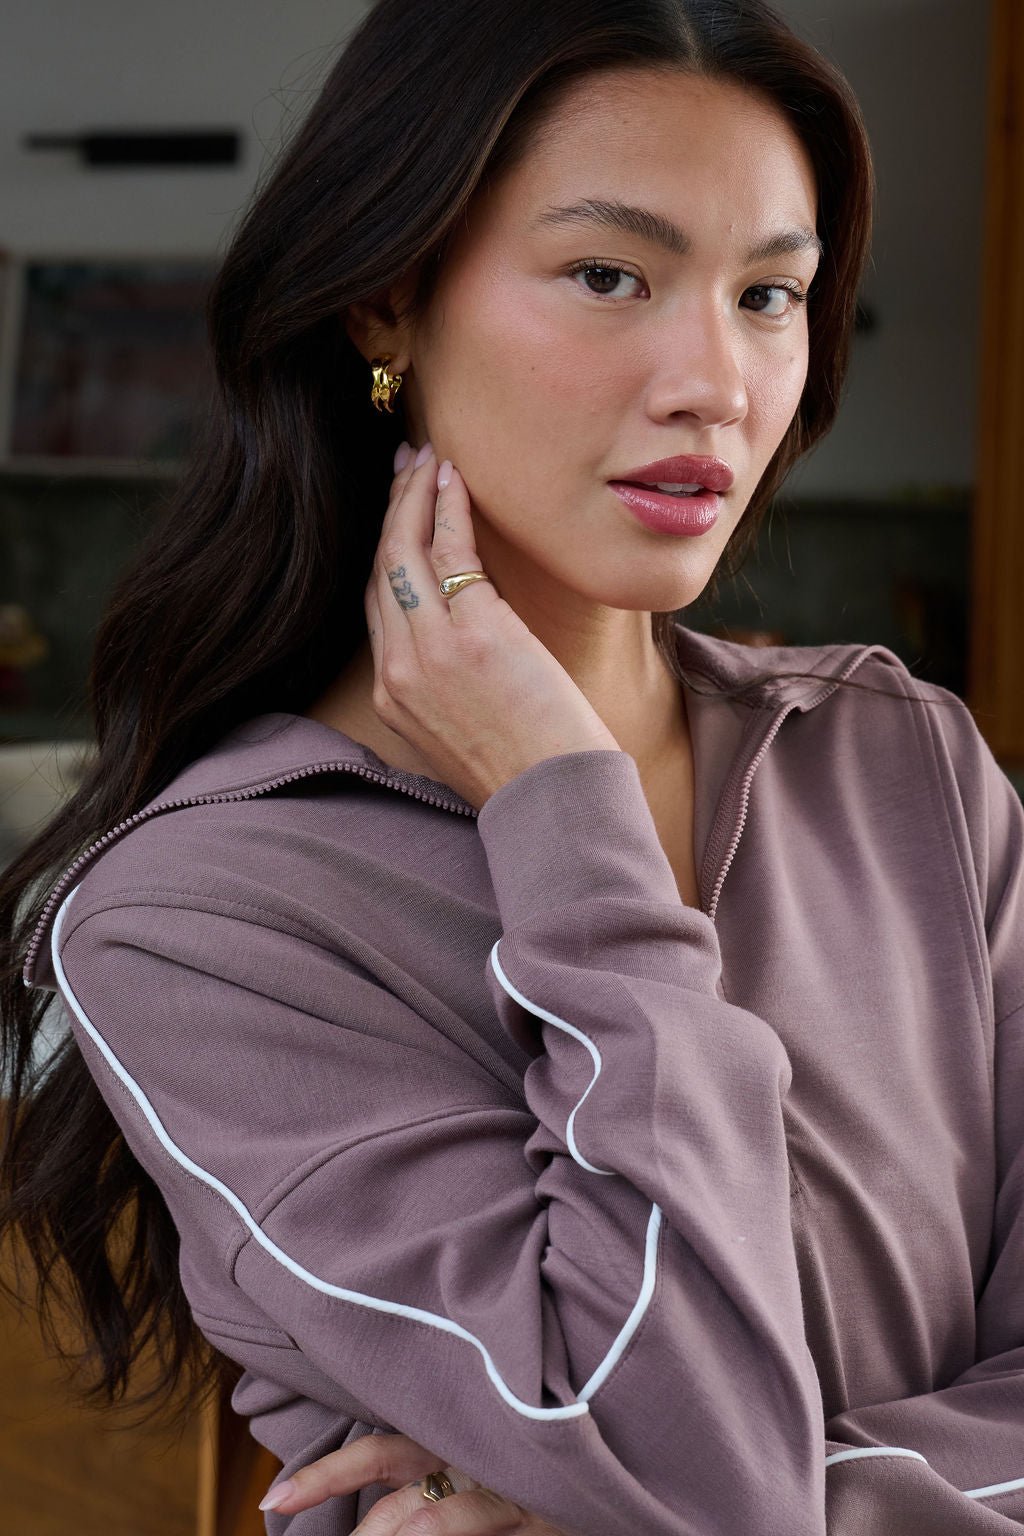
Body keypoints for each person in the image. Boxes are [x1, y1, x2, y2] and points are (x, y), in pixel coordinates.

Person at [1, 1, 1021, 1532]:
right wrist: (567, 819)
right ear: (384, 304)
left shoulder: (902, 763)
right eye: (609, 276)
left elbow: (706, 1489)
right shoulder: (194, 920)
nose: (716, 382)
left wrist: (725, 1504)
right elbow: (692, 1457)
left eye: (768, 295)